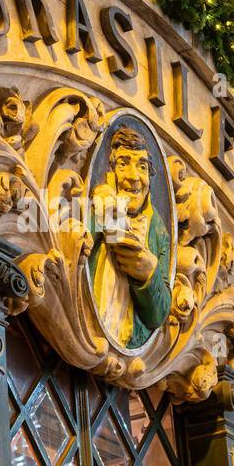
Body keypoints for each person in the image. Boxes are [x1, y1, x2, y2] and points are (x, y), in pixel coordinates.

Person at [88, 126, 172, 349]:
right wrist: (102, 213)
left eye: (142, 166)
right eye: (124, 164)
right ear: (111, 170)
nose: (134, 177)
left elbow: (160, 314)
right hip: (87, 328)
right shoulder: (96, 206)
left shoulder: (158, 231)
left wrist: (148, 275)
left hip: (127, 344)